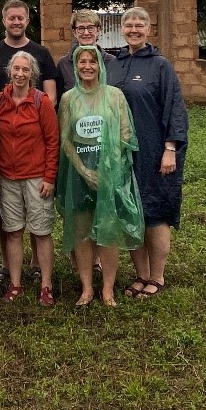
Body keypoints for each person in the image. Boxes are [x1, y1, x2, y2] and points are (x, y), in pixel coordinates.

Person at [107, 7, 189, 300]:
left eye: (139, 25)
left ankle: (157, 276)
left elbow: (175, 108)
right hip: (120, 154)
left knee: (155, 213)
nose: (133, 29)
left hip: (154, 152)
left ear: (148, 29)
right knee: (131, 212)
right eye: (129, 25)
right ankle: (141, 274)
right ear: (122, 29)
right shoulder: (113, 65)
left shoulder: (160, 66)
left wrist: (170, 149)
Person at [56, 44, 143, 307]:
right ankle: (86, 288)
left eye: (92, 62)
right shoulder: (68, 98)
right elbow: (65, 139)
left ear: (100, 65)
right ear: (75, 66)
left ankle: (107, 289)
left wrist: (108, 168)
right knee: (82, 231)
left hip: (110, 173)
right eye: (82, 62)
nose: (87, 66)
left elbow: (126, 134)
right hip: (79, 173)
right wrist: (84, 170)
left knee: (108, 230)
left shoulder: (114, 95)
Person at [0, 50, 58, 306]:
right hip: (8, 176)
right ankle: (15, 283)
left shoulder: (42, 102)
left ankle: (46, 285)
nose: (20, 74)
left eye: (25, 70)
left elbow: (52, 141)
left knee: (41, 232)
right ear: (9, 71)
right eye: (16, 69)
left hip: (36, 177)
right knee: (13, 231)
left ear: (33, 74)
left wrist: (49, 177)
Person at [0, 0, 58, 101]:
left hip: (36, 110)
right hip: (2, 110)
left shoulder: (42, 53)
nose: (16, 22)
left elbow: (51, 97)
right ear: (4, 21)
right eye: (12, 18)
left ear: (27, 21)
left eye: (20, 18)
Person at [55, 9, 121, 99]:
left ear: (98, 30)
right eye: (81, 28)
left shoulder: (112, 62)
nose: (86, 33)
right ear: (74, 32)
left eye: (90, 28)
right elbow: (60, 98)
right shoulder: (64, 64)